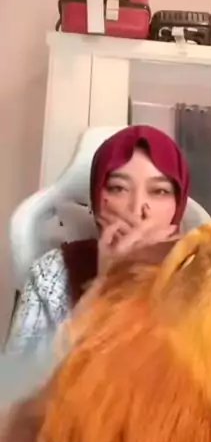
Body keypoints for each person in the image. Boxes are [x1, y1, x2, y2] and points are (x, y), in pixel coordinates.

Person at [6, 126, 190, 355]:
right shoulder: (52, 273)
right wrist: (103, 289)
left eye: (159, 191)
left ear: (178, 205)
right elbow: (19, 374)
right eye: (118, 188)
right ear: (95, 199)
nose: (137, 209)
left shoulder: (204, 275)